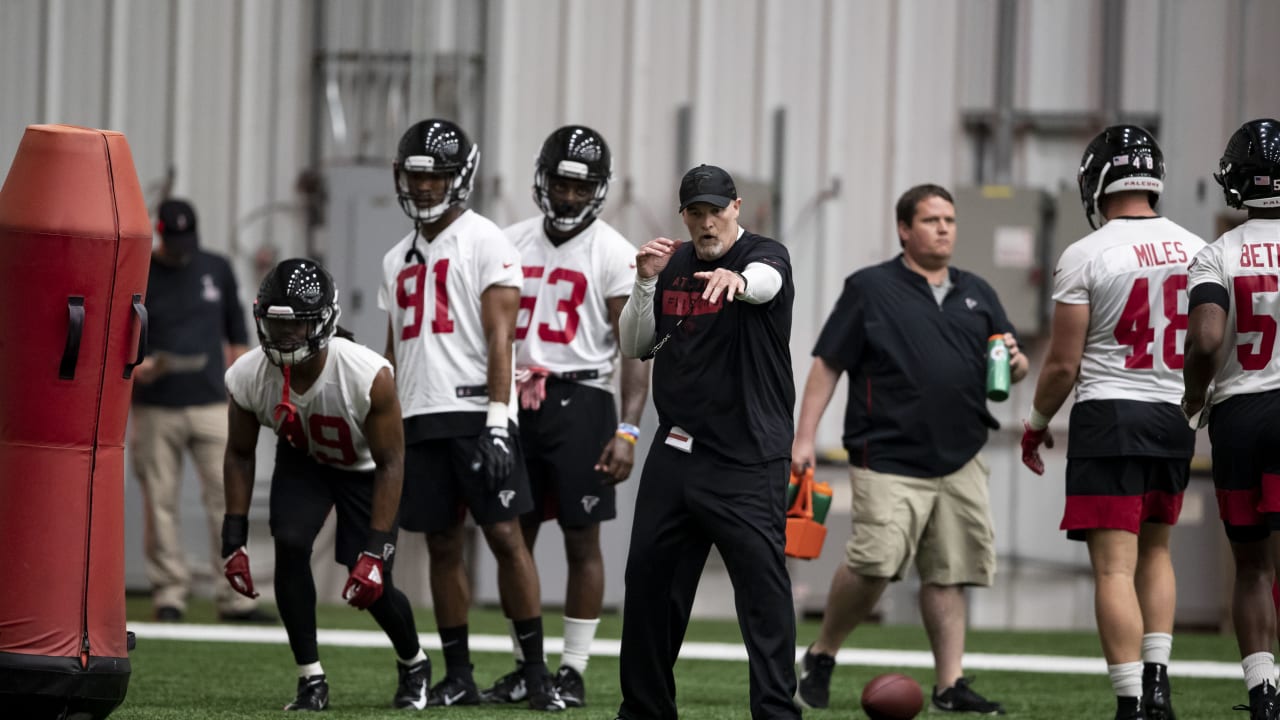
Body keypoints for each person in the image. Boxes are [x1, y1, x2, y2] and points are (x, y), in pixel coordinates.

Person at [792, 184, 1028, 714]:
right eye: (930, 220)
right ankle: (823, 652)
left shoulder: (978, 292)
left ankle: (949, 685)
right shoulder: (870, 288)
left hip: (961, 455)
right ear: (904, 230)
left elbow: (1013, 361)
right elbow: (828, 363)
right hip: (888, 455)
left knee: (949, 572)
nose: (943, 228)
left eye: (949, 219)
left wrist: (1016, 364)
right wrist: (804, 438)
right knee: (875, 563)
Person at [378, 118, 565, 710]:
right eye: (416, 174)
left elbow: (500, 338)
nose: (425, 186)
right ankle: (458, 674)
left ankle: (535, 674)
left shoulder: (486, 240)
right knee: (440, 543)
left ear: (459, 178)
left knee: (507, 536)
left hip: (473, 412)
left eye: (435, 175)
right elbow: (393, 347)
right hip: (418, 414)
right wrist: (380, 421)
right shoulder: (394, 256)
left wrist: (497, 420)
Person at [1020, 125, 1203, 720]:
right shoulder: (1199, 248)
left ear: (1096, 181)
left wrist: (1036, 419)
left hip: (1111, 414)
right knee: (1157, 554)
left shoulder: (1087, 253)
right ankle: (1157, 686)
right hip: (1175, 415)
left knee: (1114, 567)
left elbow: (1064, 363)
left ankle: (1129, 702)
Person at [616, 164, 799, 720]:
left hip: (745, 456)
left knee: (762, 594)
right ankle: (645, 711)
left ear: (736, 207)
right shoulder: (671, 263)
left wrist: (739, 282)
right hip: (674, 454)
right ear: (683, 216)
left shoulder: (765, 255)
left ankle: (774, 713)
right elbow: (634, 344)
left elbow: (767, 279)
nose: (706, 222)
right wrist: (646, 281)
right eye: (695, 212)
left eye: (716, 210)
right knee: (648, 585)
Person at [482, 125, 649, 707]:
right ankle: (528, 668)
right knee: (511, 536)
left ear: (598, 190)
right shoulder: (507, 241)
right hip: (513, 395)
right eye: (560, 182)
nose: (569, 196)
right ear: (542, 180)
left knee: (582, 539)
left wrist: (628, 429)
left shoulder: (612, 250)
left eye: (581, 186)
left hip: (582, 400)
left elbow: (633, 348)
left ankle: (573, 669)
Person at [220, 258, 431, 711]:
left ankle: (414, 662)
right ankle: (310, 678)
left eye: (299, 324)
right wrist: (233, 536)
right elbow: (239, 452)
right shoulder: (247, 374)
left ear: (326, 321)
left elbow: (393, 460)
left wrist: (375, 551)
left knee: (372, 586)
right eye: (279, 326)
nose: (287, 337)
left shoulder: (366, 374)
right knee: (291, 543)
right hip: (305, 459)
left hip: (366, 470)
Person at [130, 197, 273, 624]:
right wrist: (139, 369)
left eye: (186, 239)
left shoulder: (216, 267)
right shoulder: (141, 270)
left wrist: (242, 391)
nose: (181, 248)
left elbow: (237, 333)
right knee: (160, 502)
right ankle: (170, 595)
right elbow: (121, 333)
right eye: (173, 240)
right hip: (156, 407)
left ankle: (236, 599)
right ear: (160, 234)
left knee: (227, 499)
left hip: (213, 403)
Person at [1183, 117, 1280, 720]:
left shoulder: (1217, 254)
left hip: (1242, 411)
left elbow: (1205, 340)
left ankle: (1264, 692)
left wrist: (1195, 399)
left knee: (1251, 564)